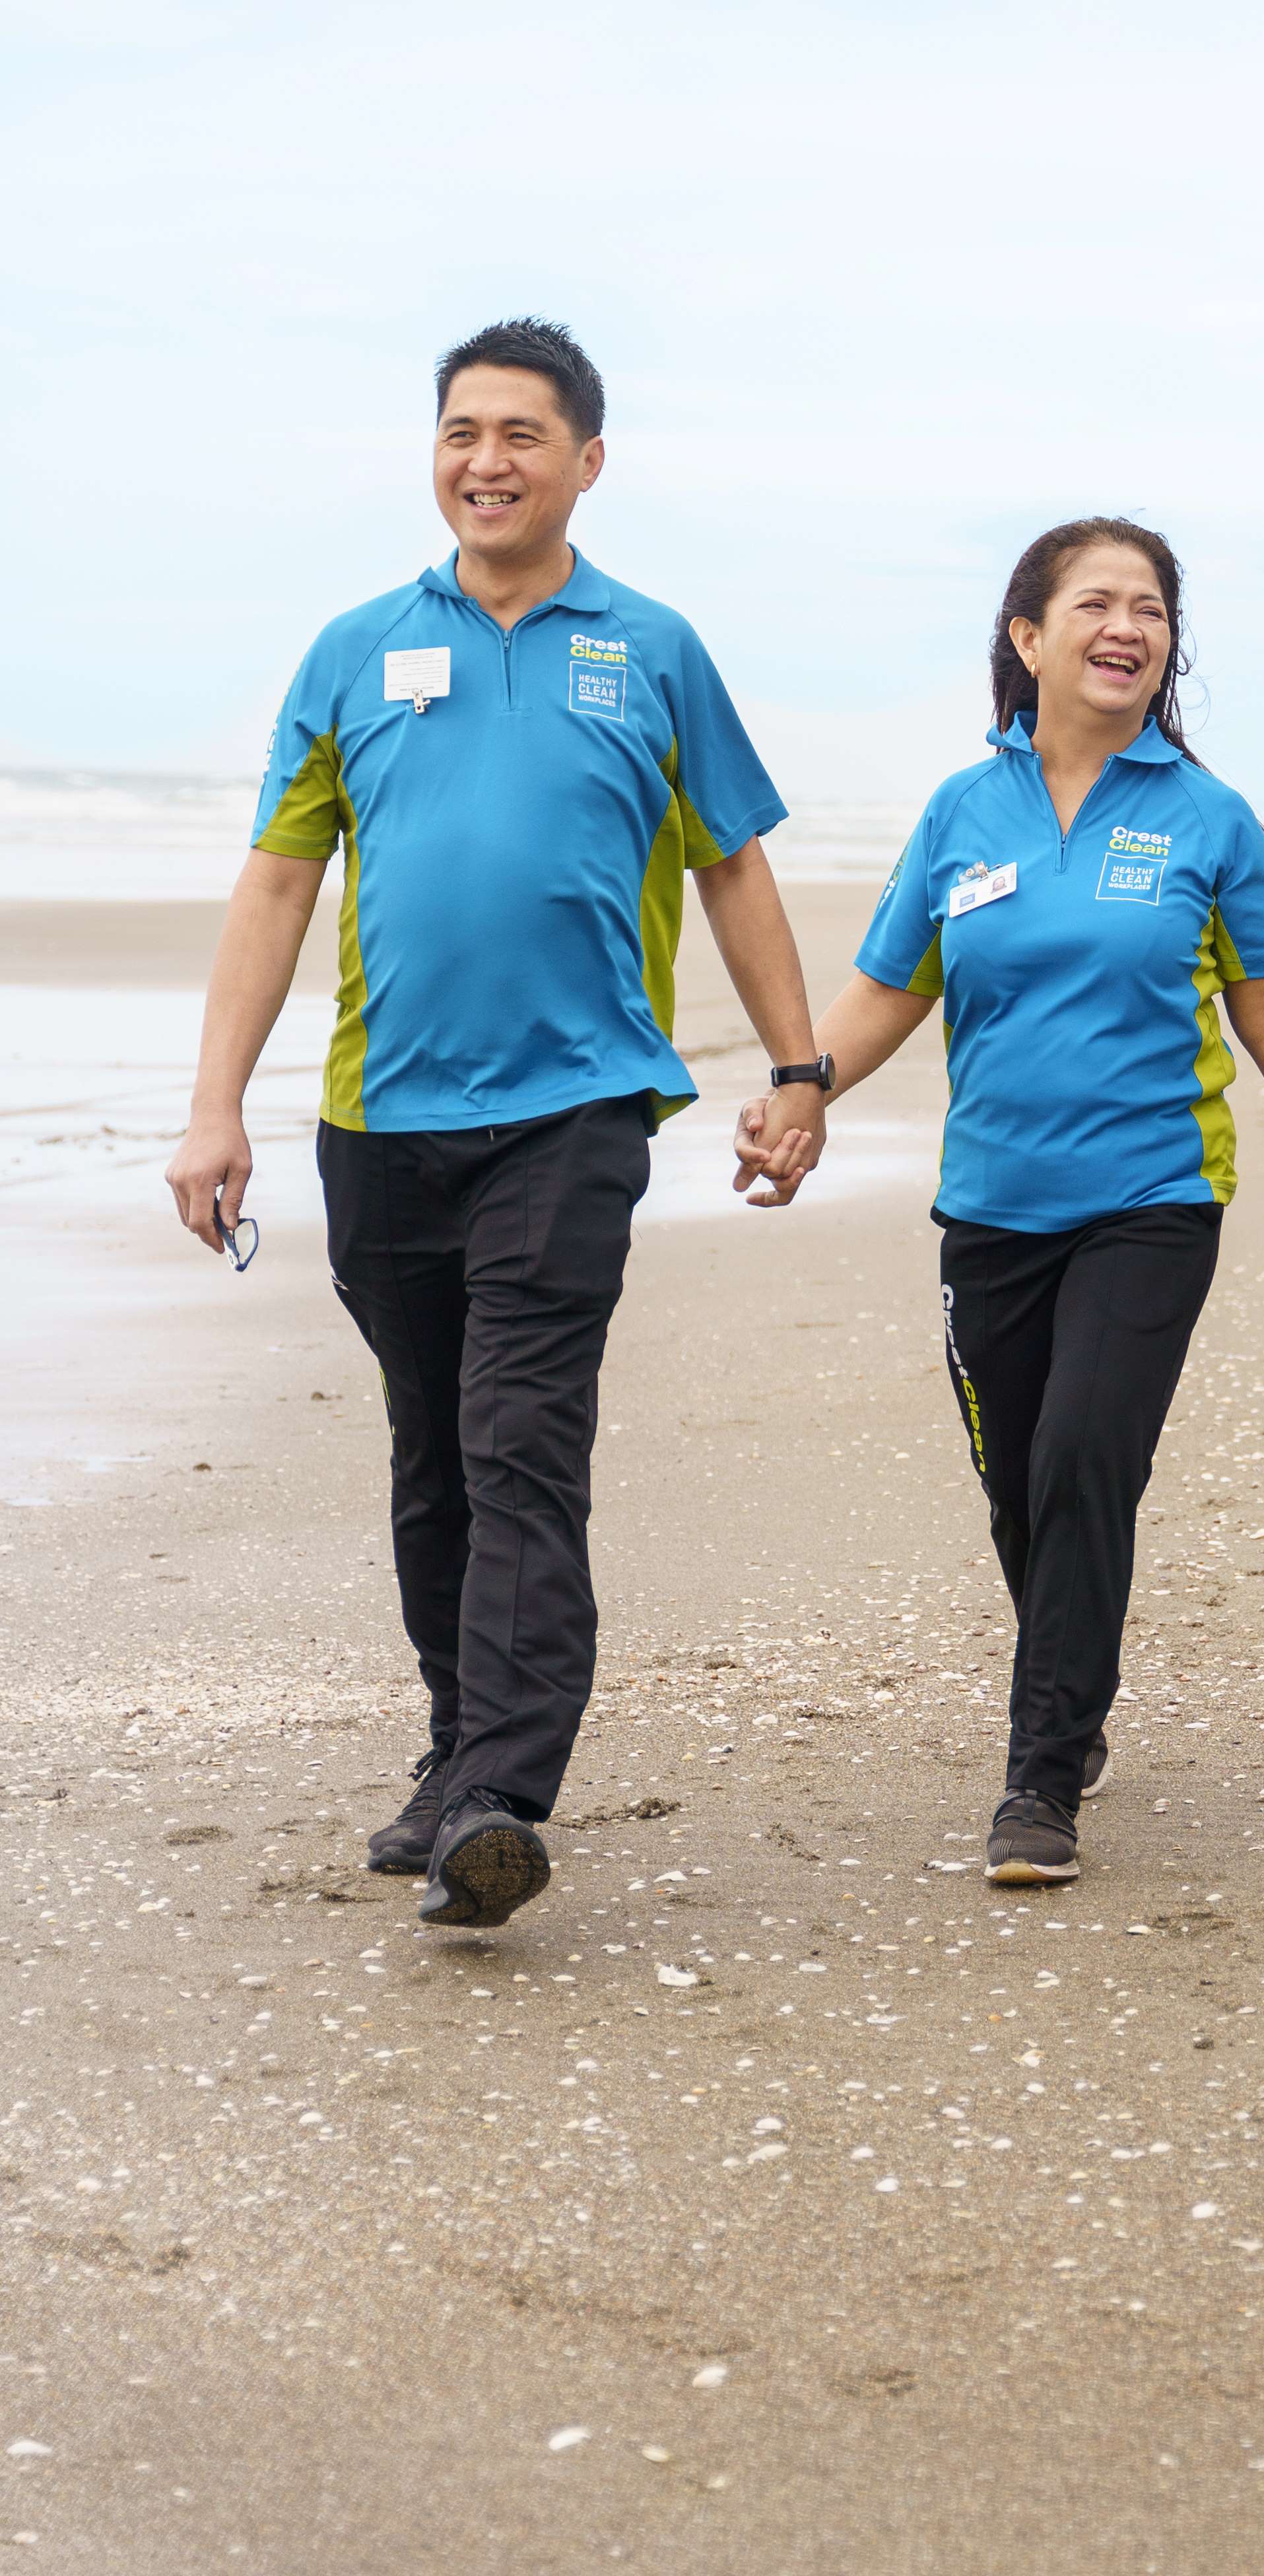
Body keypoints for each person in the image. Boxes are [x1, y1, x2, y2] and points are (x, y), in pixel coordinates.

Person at [164, 321, 830, 1934]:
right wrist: (213, 1109)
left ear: (586, 463)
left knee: (518, 1436)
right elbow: (276, 881)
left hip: (576, 1109)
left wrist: (799, 1072)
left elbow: (733, 862)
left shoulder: (653, 649)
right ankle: (457, 1749)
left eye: (523, 435)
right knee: (431, 1459)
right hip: (380, 1119)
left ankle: (499, 1794)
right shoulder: (353, 650)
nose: (488, 461)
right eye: (462, 432)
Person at [737, 515, 1264, 1888]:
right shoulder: (963, 809)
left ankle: (1040, 1775)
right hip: (990, 1209)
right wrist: (803, 1092)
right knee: (1020, 1487)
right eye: (1097, 604)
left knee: (1080, 1460)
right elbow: (893, 982)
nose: (1127, 628)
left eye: (1151, 609)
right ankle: (1074, 1683)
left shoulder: (1204, 816)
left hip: (1152, 1200)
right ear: (1028, 637)